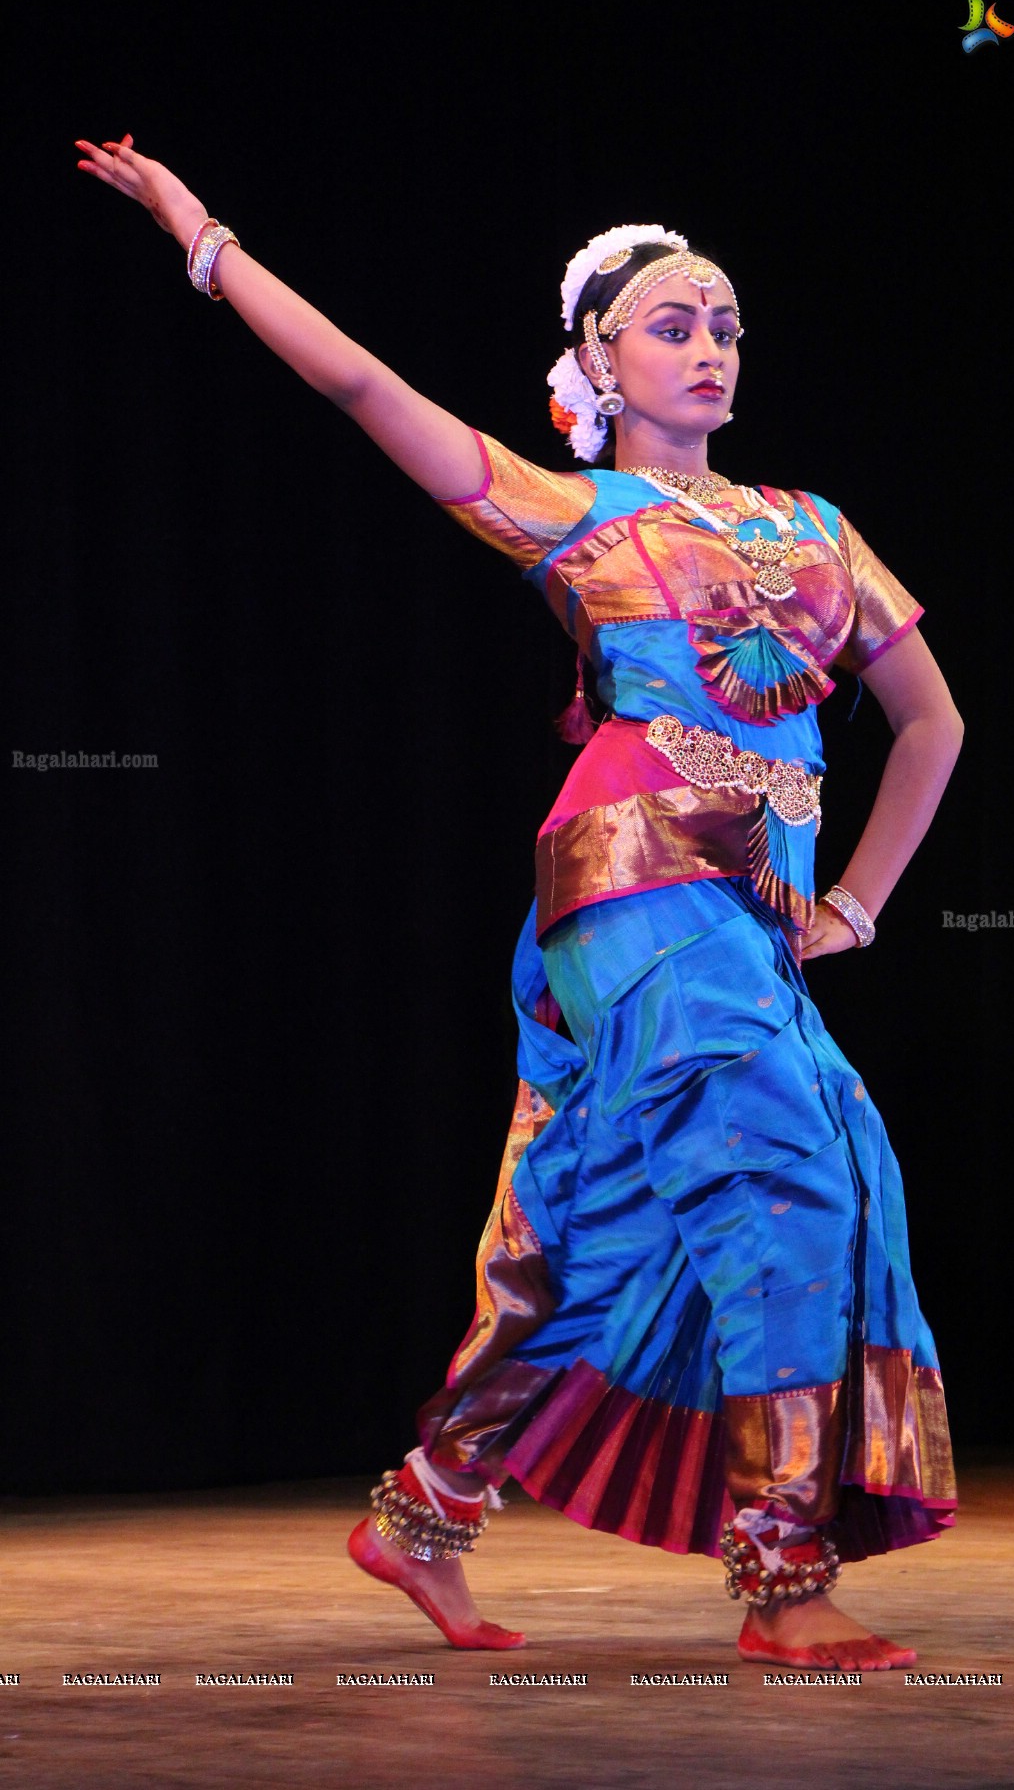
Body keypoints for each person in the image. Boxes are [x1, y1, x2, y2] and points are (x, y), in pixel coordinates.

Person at [76, 139, 965, 1672]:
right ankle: (782, 1575)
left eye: (727, 324)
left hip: (741, 925)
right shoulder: (580, 512)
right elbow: (364, 389)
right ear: (597, 361)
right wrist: (202, 236)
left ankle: (425, 1510)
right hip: (632, 889)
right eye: (673, 325)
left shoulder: (819, 529)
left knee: (570, 1224)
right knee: (792, 1188)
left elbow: (935, 725)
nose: (709, 347)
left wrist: (862, 907)